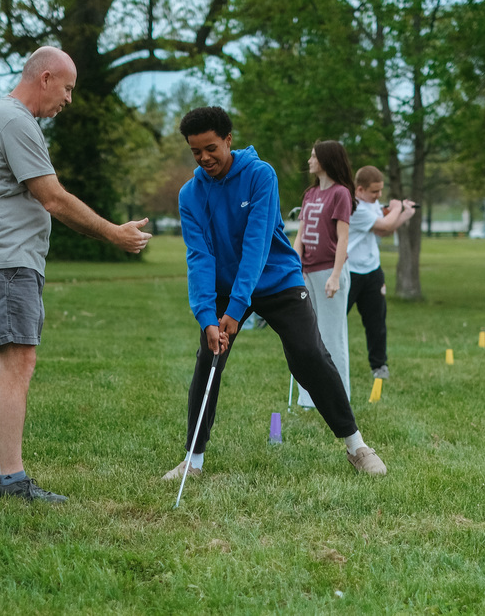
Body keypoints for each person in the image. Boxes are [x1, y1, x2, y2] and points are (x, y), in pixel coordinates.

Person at [0, 46, 152, 504]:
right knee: (18, 363)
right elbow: (52, 197)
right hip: (8, 260)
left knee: (3, 362)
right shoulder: (15, 121)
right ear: (45, 78)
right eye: (67, 88)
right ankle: (12, 478)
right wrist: (113, 233)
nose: (69, 99)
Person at [162, 106, 386, 482]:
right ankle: (193, 461)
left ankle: (357, 446)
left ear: (228, 140)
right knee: (209, 360)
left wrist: (236, 309)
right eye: (195, 152)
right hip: (225, 287)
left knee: (309, 355)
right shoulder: (191, 194)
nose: (204, 158)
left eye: (211, 148)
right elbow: (199, 257)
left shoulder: (260, 175)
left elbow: (256, 245)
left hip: (277, 279)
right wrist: (206, 316)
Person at [292, 141, 356, 408]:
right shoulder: (310, 194)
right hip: (306, 272)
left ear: (326, 160)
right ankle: (309, 398)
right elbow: (301, 235)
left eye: (313, 156)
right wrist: (294, 267)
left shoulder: (341, 194)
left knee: (332, 336)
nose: (309, 160)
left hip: (330, 271)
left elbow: (343, 238)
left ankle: (339, 398)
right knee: (307, 336)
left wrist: (336, 275)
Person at [345, 165, 416, 380]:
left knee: (376, 322)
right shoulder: (354, 206)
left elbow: (383, 231)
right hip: (349, 271)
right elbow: (384, 224)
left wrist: (405, 214)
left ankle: (379, 365)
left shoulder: (372, 204)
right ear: (359, 189)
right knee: (336, 321)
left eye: (381, 190)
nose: (379, 195)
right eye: (374, 191)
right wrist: (397, 208)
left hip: (372, 271)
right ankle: (324, 361)